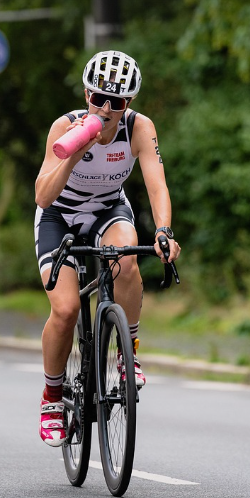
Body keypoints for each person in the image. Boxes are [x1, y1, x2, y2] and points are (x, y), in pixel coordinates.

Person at [33, 50, 180, 447]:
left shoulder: (138, 128)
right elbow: (44, 196)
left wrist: (164, 231)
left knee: (128, 260)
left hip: (107, 209)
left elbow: (156, 184)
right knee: (64, 309)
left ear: (128, 103)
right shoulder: (63, 127)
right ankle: (51, 398)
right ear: (86, 95)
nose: (107, 108)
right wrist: (75, 150)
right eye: (98, 98)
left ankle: (126, 351)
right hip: (59, 216)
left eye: (116, 102)